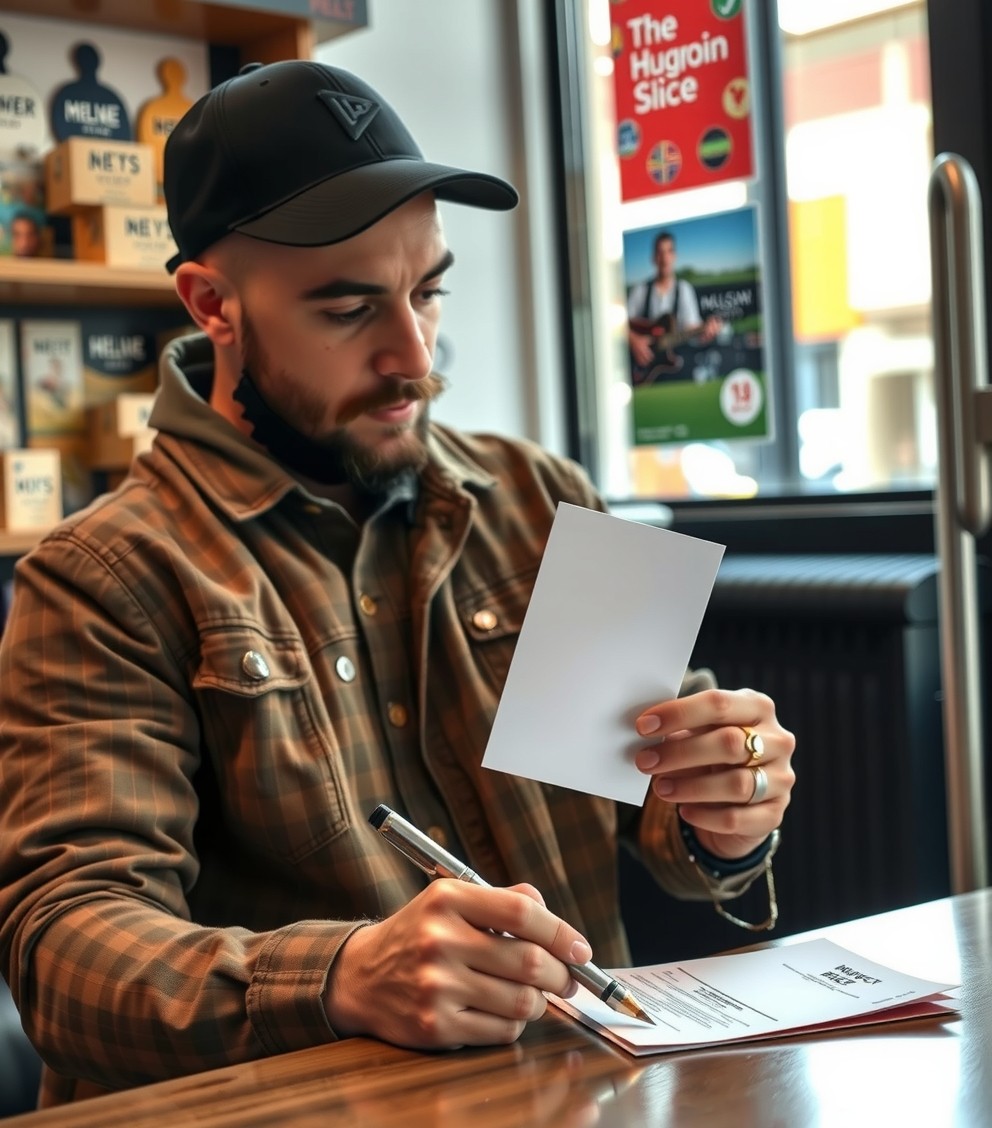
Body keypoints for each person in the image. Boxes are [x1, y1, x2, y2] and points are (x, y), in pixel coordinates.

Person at [0, 60, 796, 1108]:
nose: (414, 355)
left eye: (428, 292)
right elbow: (66, 954)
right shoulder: (101, 577)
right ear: (211, 303)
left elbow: (655, 821)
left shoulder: (541, 496)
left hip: (572, 1089)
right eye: (348, 310)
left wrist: (719, 811)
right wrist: (337, 979)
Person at [627, 231, 721, 384]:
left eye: (669, 252)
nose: (664, 259)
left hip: (674, 372)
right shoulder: (641, 291)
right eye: (660, 252)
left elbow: (692, 327)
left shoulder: (684, 289)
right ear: (653, 258)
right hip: (643, 369)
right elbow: (617, 324)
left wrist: (705, 331)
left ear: (674, 256)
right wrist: (634, 340)